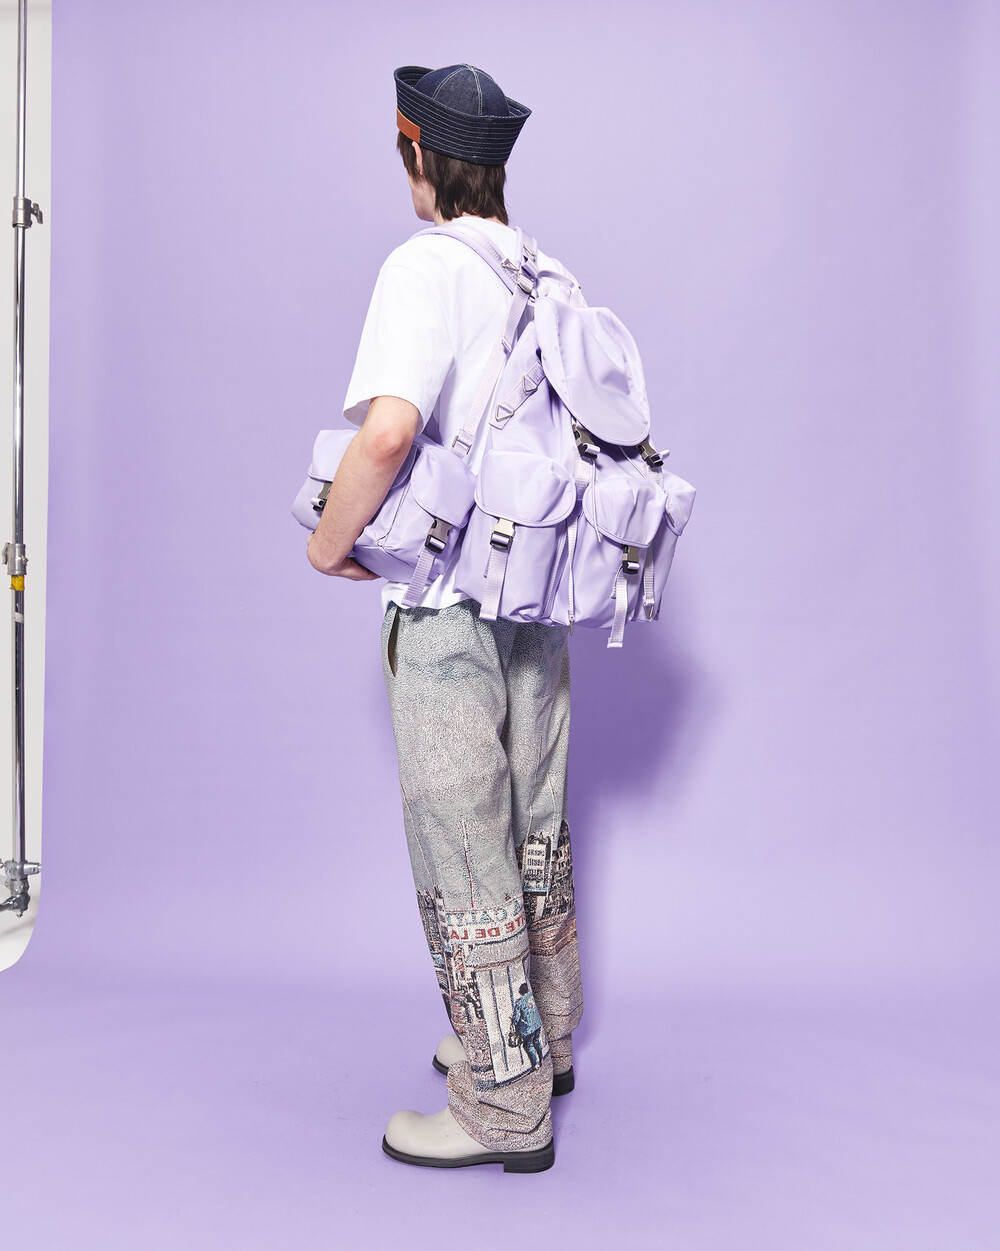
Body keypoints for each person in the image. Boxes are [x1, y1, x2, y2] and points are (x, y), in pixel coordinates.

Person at [306, 63, 584, 1173]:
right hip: (539, 598)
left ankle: (503, 1103)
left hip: (450, 603)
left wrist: (328, 542)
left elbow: (388, 433)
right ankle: (542, 1040)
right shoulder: (546, 270)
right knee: (533, 822)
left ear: (419, 154)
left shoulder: (424, 265)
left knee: (464, 840)